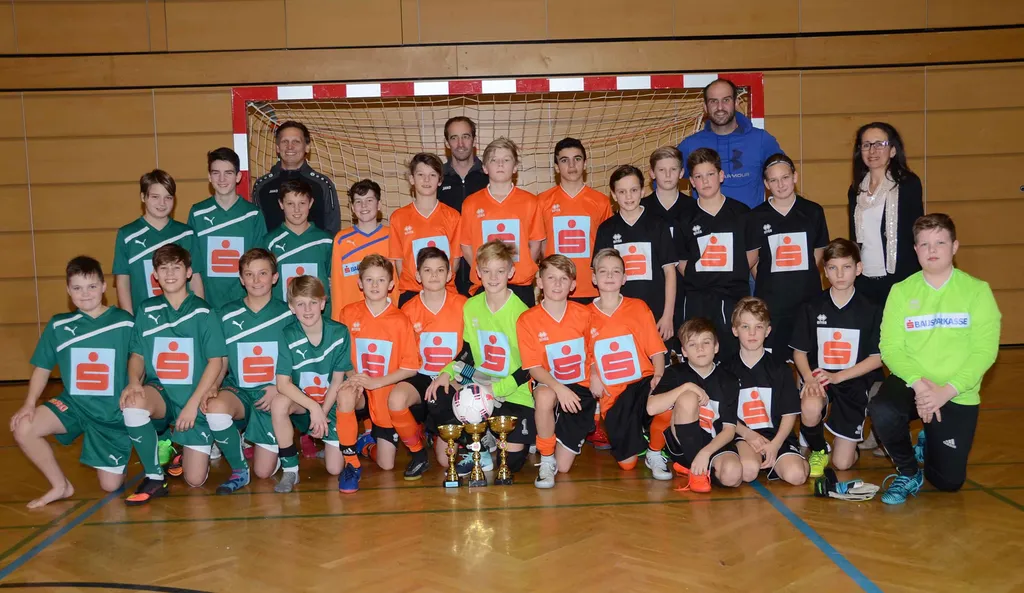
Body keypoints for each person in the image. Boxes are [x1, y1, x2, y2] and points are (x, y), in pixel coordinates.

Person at [870, 214, 1000, 505]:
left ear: (954, 246)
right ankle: (907, 470)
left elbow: (984, 351)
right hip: (914, 384)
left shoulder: (977, 291)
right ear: (915, 250)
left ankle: (929, 441)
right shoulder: (901, 291)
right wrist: (920, 386)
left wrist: (945, 391)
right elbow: (890, 348)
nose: (932, 250)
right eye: (924, 244)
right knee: (882, 406)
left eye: (940, 242)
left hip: (956, 391)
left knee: (948, 482)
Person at [10, 256, 135, 509]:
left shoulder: (124, 321)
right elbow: (42, 368)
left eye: (91, 286)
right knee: (23, 426)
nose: (85, 293)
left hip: (110, 414)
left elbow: (139, 362)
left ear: (103, 287)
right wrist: (29, 403)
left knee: (110, 486)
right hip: (74, 406)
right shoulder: (59, 325)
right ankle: (60, 485)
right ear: (68, 291)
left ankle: (120, 455)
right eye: (77, 288)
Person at [120, 244, 226, 504]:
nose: (169, 274)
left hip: (193, 397)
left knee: (195, 479)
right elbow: (137, 355)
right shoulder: (146, 310)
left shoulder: (203, 311)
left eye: (176, 267)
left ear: (189, 272)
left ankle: (178, 446)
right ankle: (155, 476)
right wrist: (134, 383)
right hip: (162, 394)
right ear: (154, 274)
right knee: (133, 403)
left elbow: (215, 362)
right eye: (163, 268)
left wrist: (192, 406)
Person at [426, 240, 535, 477]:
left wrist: (498, 389)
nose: (493, 277)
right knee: (437, 395)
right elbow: (468, 352)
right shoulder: (471, 306)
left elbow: (530, 366)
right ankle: (480, 444)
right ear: (477, 273)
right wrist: (446, 372)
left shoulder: (523, 312)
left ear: (511, 272)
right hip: (481, 382)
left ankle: (493, 440)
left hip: (514, 390)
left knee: (512, 463)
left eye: (500, 271)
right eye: (486, 271)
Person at [204, 248, 295, 494]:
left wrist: (280, 388)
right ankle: (238, 469)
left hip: (271, 397)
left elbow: (299, 360)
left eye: (263, 273)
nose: (256, 280)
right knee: (215, 406)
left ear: (275, 277)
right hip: (240, 392)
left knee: (264, 473)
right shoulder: (225, 314)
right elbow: (221, 359)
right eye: (249, 274)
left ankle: (268, 437)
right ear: (241, 279)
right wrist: (214, 385)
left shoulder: (289, 314)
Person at [791, 238, 883, 478]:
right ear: (825, 272)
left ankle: (848, 449)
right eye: (832, 267)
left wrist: (839, 376)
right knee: (810, 405)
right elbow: (799, 352)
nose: (839, 274)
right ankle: (819, 448)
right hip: (820, 378)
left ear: (859, 269)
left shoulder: (871, 309)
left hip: (853, 381)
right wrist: (809, 378)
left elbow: (877, 358)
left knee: (842, 464)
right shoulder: (811, 306)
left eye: (847, 267)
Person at [587, 248, 673, 479]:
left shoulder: (638, 307)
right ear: (594, 278)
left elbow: (656, 350)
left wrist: (659, 376)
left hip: (642, 382)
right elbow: (585, 357)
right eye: (603, 271)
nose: (609, 275)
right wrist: (593, 374)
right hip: (614, 395)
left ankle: (655, 450)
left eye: (616, 271)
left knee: (670, 401)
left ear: (625, 278)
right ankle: (639, 433)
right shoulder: (585, 315)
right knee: (627, 464)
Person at [339, 255, 424, 475]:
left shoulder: (400, 320)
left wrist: (376, 383)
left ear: (391, 285)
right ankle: (351, 464)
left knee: (386, 465)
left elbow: (410, 367)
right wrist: (354, 376)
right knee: (345, 395)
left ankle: (366, 446)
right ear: (359, 283)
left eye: (381, 280)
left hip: (384, 391)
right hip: (360, 389)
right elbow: (340, 356)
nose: (375, 285)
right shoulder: (348, 314)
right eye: (369, 280)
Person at [517, 255, 596, 488]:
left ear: (573, 285)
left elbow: (595, 354)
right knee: (544, 396)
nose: (557, 284)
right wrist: (559, 388)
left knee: (565, 467)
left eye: (564, 279)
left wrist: (598, 376)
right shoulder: (527, 320)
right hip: (551, 384)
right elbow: (533, 367)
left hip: (580, 388)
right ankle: (546, 458)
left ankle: (559, 434)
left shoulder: (584, 314)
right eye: (551, 277)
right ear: (540, 282)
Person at [271, 275, 354, 493]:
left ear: (323, 303)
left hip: (331, 403)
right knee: (279, 403)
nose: (307, 309)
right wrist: (314, 408)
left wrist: (323, 412)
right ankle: (290, 469)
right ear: (291, 307)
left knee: (335, 469)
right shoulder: (287, 335)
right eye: (300, 303)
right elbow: (282, 384)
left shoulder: (339, 332)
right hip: (304, 403)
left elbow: (338, 379)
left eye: (313, 302)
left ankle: (333, 443)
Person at [646, 317, 743, 493]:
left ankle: (697, 468)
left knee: (733, 476)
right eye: (692, 344)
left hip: (715, 443)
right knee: (688, 397)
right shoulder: (675, 373)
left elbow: (729, 429)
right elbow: (651, 407)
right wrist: (687, 386)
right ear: (683, 351)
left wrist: (705, 453)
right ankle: (696, 471)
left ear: (716, 347)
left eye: (706, 342)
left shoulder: (728, 379)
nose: (700, 349)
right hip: (683, 444)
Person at [746, 154, 829, 354]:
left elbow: (819, 250)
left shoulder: (813, 211)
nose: (780, 185)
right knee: (774, 359)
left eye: (785, 177)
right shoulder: (756, 216)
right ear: (766, 184)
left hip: (807, 300)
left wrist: (802, 275)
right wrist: (771, 282)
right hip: (772, 303)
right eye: (773, 180)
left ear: (795, 177)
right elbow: (753, 259)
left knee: (807, 357)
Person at [723, 297, 808, 486]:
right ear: (735, 330)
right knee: (748, 471)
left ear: (768, 330)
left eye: (759, 327)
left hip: (776, 435)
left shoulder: (780, 368)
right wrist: (747, 434)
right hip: (743, 435)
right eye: (745, 327)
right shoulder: (726, 369)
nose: (752, 333)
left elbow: (789, 413)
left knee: (797, 476)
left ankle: (791, 459)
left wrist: (776, 444)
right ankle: (754, 458)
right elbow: (723, 413)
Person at [677, 148, 751, 359]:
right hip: (699, 300)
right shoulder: (685, 217)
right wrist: (701, 279)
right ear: (691, 181)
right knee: (700, 357)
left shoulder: (741, 213)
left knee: (734, 358)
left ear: (721, 175)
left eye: (710, 174)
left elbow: (752, 254)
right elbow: (681, 260)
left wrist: (731, 274)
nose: (705, 181)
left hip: (734, 298)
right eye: (699, 177)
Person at [398, 247, 467, 469]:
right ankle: (418, 450)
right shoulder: (408, 309)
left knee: (447, 463)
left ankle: (440, 429)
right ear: (418, 276)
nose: (434, 275)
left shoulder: (464, 305)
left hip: (454, 377)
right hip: (422, 376)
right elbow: (405, 354)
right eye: (427, 270)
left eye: (440, 270)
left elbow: (471, 348)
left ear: (449, 275)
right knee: (396, 399)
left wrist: (451, 375)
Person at [594, 165, 677, 342]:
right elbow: (601, 276)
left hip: (655, 312)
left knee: (657, 366)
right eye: (622, 192)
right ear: (614, 195)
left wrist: (668, 315)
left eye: (633, 190)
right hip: (619, 313)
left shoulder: (658, 225)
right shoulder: (606, 229)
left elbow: (670, 272)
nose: (629, 196)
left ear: (642, 191)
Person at [459, 137, 545, 307]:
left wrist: (519, 269)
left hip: (520, 284)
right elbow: (466, 246)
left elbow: (535, 244)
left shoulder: (530, 202)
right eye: (494, 160)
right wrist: (486, 270)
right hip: (485, 285)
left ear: (515, 167)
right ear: (484, 167)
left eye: (506, 160)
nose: (500, 164)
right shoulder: (471, 203)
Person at [847, 122, 924, 306]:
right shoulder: (856, 189)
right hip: (864, 278)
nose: (872, 150)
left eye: (879, 144)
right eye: (866, 145)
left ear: (892, 150)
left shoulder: (907, 184)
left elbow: (917, 232)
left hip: (900, 277)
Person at [678, 79, 783, 209]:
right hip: (707, 227)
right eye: (713, 101)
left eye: (726, 100)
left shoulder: (761, 140)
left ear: (736, 103)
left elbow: (784, 180)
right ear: (705, 107)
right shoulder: (690, 145)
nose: (720, 107)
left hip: (750, 226)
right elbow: (663, 182)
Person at [114, 169, 203, 315]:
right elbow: (123, 281)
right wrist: (129, 319)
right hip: (144, 318)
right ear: (143, 197)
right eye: (155, 197)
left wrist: (199, 314)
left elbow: (195, 279)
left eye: (168, 197)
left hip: (181, 316)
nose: (162, 203)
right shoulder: (127, 234)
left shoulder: (186, 233)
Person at [188, 148, 268, 309]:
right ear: (209, 177)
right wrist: (199, 305)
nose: (222, 179)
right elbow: (192, 264)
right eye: (216, 173)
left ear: (238, 176)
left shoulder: (252, 214)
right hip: (207, 303)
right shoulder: (197, 213)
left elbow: (260, 263)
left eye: (229, 173)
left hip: (244, 303)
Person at [537, 138, 613, 305]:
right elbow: (540, 246)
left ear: (585, 164)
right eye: (564, 160)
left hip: (592, 288)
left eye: (577, 159)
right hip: (555, 288)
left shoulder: (601, 202)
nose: (572, 165)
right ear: (557, 167)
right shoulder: (542, 202)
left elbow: (607, 250)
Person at [389, 153, 462, 306]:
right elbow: (399, 262)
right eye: (421, 174)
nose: (426, 180)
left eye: (432, 175)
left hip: (445, 292)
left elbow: (454, 260)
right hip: (412, 293)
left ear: (440, 180)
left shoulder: (453, 216)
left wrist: (438, 285)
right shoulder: (398, 217)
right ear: (411, 179)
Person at [252, 121, 341, 236]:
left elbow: (332, 229)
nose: (290, 147)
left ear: (307, 147)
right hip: (273, 253)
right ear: (277, 148)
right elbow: (257, 231)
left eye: (296, 141)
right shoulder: (262, 185)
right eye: (285, 141)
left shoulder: (323, 184)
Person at [259, 179, 333, 309]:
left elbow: (333, 283)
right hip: (282, 318)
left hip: (318, 319)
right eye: (290, 204)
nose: (297, 209)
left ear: (311, 203)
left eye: (302, 203)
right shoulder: (269, 242)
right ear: (281, 204)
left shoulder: (326, 241)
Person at [330, 179, 395, 319]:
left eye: (369, 200)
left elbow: (399, 279)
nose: (364, 205)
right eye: (358, 201)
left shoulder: (393, 236)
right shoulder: (341, 240)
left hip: (387, 316)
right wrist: (337, 319)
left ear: (379, 205)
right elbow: (337, 285)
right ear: (352, 207)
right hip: (353, 318)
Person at [439, 116, 488, 296]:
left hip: (484, 266)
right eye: (454, 138)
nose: (460, 143)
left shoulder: (488, 175)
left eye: (465, 136)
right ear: (446, 142)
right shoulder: (437, 178)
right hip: (448, 268)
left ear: (474, 140)